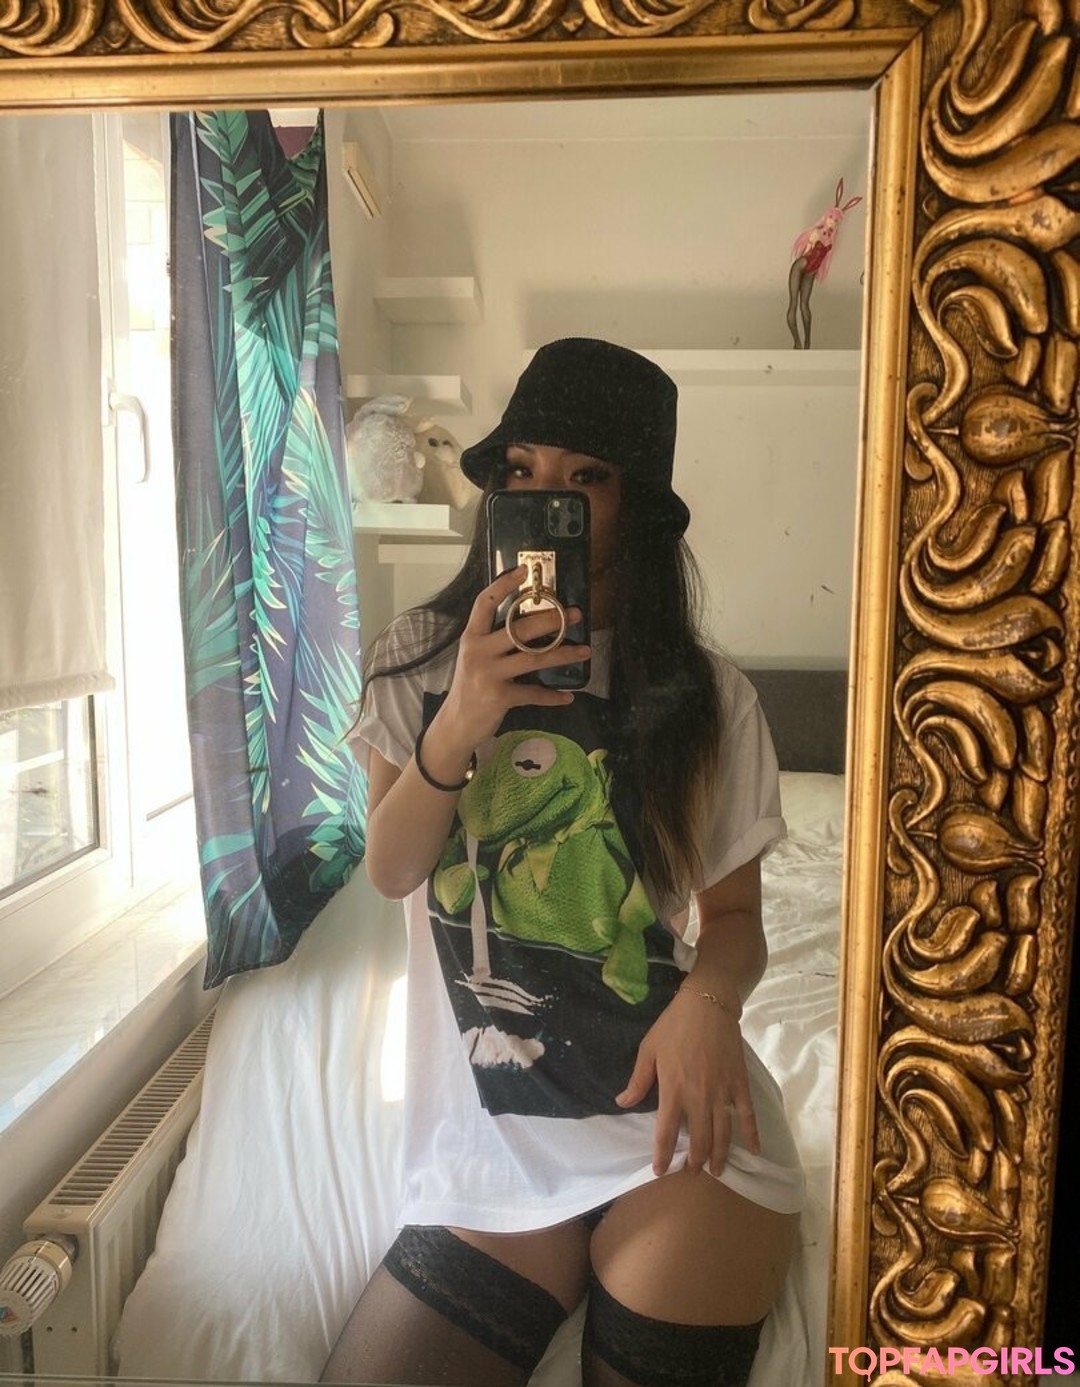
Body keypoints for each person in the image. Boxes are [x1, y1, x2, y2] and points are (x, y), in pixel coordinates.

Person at [327, 338, 804, 1387]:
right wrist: (462, 718)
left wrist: (709, 1004)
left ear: (637, 511)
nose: (548, 498)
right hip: (494, 1136)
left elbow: (734, 923)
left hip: (674, 1120)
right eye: (524, 469)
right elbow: (394, 870)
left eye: (587, 476)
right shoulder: (417, 659)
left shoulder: (709, 700)